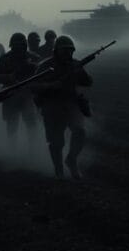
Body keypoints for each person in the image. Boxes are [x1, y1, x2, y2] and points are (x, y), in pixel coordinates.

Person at [33, 35, 92, 179]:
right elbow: (33, 85)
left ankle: (71, 160)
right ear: (57, 50)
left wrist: (80, 72)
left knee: (80, 132)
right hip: (51, 105)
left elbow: (88, 81)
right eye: (64, 50)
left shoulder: (75, 64)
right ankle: (58, 169)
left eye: (70, 50)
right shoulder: (45, 66)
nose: (68, 53)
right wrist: (50, 85)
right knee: (56, 141)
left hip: (72, 103)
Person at [0, 33, 40, 155]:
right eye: (16, 46)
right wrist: (10, 77)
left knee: (31, 123)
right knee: (12, 124)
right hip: (11, 93)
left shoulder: (33, 57)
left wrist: (32, 69)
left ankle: (33, 150)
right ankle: (12, 150)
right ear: (12, 46)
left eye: (21, 46)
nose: (18, 49)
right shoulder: (5, 58)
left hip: (28, 94)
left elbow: (42, 75)